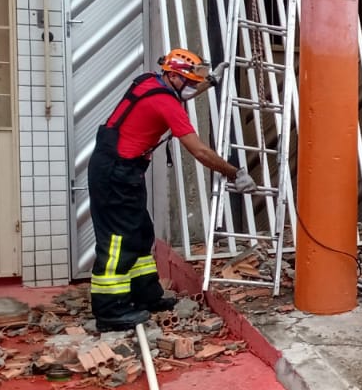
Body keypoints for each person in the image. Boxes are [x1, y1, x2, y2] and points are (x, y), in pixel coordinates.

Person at [90, 49, 256, 331]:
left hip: (123, 169)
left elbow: (183, 93)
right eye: (188, 81)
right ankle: (110, 311)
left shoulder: (149, 81)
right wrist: (235, 173)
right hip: (116, 173)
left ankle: (145, 295)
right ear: (173, 76)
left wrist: (210, 82)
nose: (192, 87)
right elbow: (200, 152)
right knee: (118, 242)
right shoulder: (166, 103)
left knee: (141, 234)